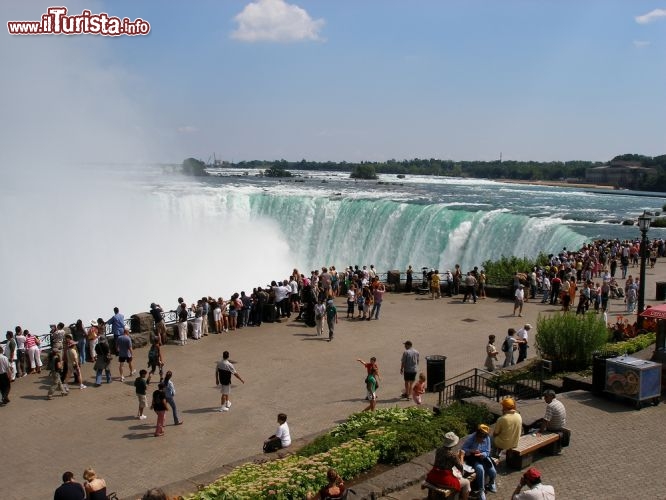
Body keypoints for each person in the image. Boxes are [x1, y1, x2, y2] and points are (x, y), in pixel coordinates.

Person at [425, 432, 471, 500]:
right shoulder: (452, 455)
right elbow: (461, 467)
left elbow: (446, 459)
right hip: (443, 480)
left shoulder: (438, 450)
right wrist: (461, 456)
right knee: (467, 482)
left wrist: (456, 457)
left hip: (434, 476)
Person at [462, 424, 497, 499]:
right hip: (473, 457)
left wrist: (483, 454)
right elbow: (463, 448)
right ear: (476, 435)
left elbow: (487, 451)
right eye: (479, 438)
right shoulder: (471, 438)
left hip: (483, 456)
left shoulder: (487, 438)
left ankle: (491, 482)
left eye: (483, 438)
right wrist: (472, 450)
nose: (481, 440)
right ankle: (481, 491)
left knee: (493, 471)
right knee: (480, 469)